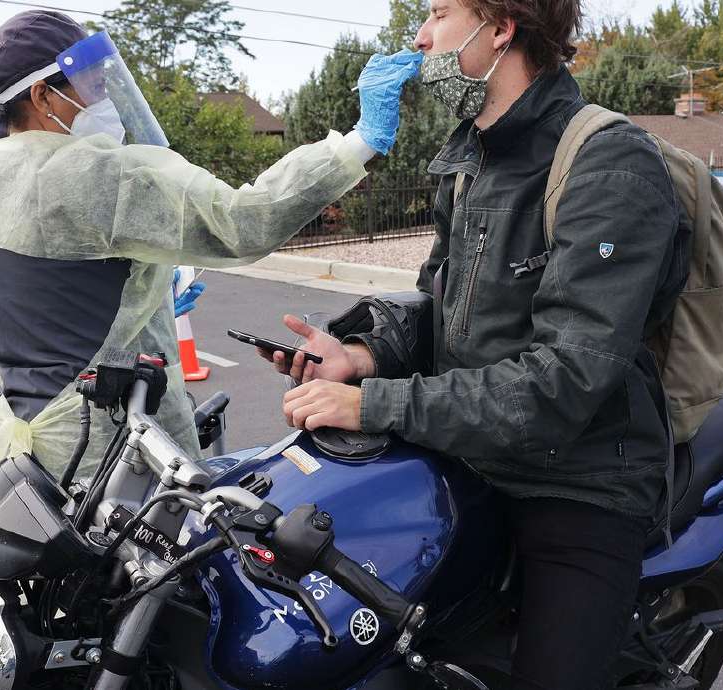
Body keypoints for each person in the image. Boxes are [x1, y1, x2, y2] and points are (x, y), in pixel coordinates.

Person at [266, 0, 689, 687]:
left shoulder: (608, 163)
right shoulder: (471, 158)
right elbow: (445, 313)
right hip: (471, 454)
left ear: (501, 28)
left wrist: (372, 403)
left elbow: (564, 381)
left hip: (577, 478)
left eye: (438, 13)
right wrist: (362, 359)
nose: (422, 37)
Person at [0, 10, 423, 481]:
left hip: (30, 448)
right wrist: (359, 142)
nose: (105, 96)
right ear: (44, 95)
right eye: (93, 85)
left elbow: (23, 321)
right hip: (114, 448)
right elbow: (240, 222)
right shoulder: (93, 173)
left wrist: (139, 301)